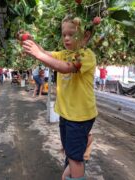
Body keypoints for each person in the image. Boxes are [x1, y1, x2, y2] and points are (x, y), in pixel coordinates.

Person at [22, 15, 98, 180]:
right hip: (67, 114)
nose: (66, 38)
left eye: (71, 34)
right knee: (68, 150)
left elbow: (65, 68)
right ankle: (85, 142)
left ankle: (74, 170)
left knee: (74, 159)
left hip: (80, 117)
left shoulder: (86, 55)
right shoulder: (64, 53)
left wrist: (39, 55)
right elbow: (44, 53)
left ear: (86, 36)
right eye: (64, 34)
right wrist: (32, 42)